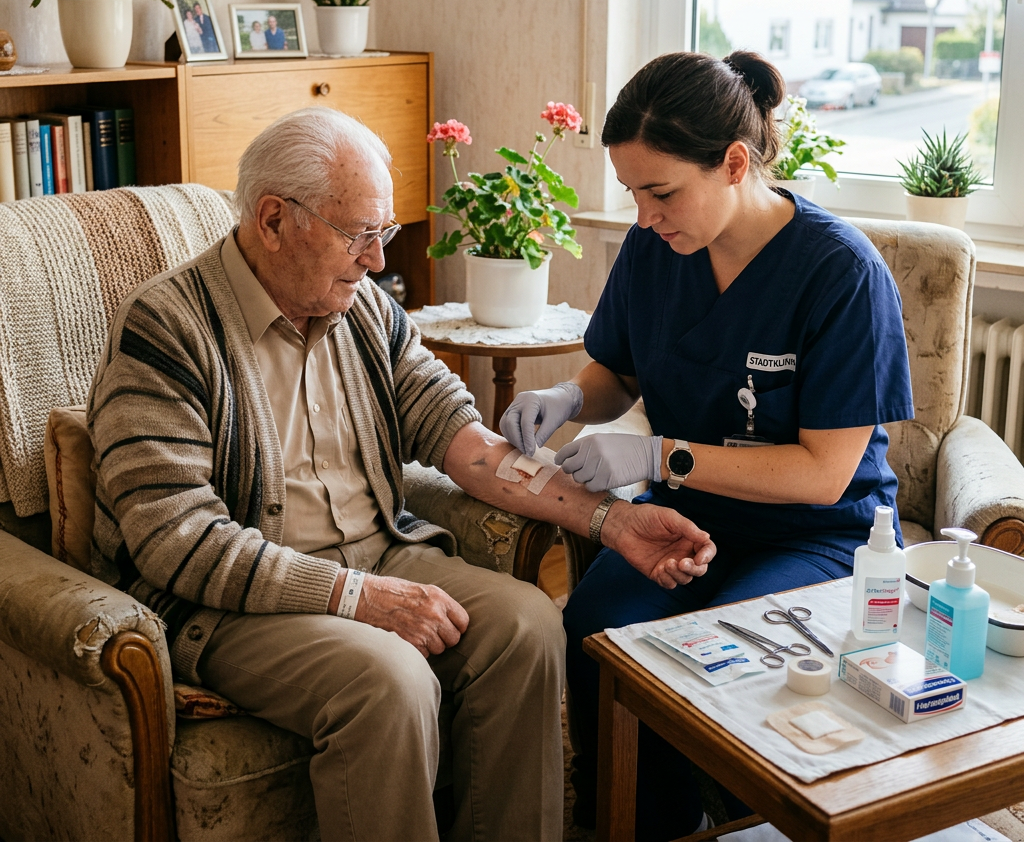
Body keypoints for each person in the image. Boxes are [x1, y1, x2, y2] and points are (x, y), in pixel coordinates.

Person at [87, 106, 716, 842]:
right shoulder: (165, 328)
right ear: (274, 220)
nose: (378, 259)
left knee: (527, 625)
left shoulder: (365, 312)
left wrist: (612, 520)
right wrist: (357, 598)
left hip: (379, 550)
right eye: (359, 233)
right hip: (235, 603)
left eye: (382, 231)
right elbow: (177, 541)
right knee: (387, 677)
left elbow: (468, 443)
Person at [500, 51, 914, 841]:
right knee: (596, 628)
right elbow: (618, 372)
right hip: (686, 522)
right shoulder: (656, 249)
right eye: (631, 193)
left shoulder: (841, 274)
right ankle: (638, 822)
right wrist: (569, 398)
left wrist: (659, 457)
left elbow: (825, 475)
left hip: (817, 535)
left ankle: (750, 823)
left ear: (733, 164)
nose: (644, 217)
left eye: (661, 192)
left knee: (722, 648)